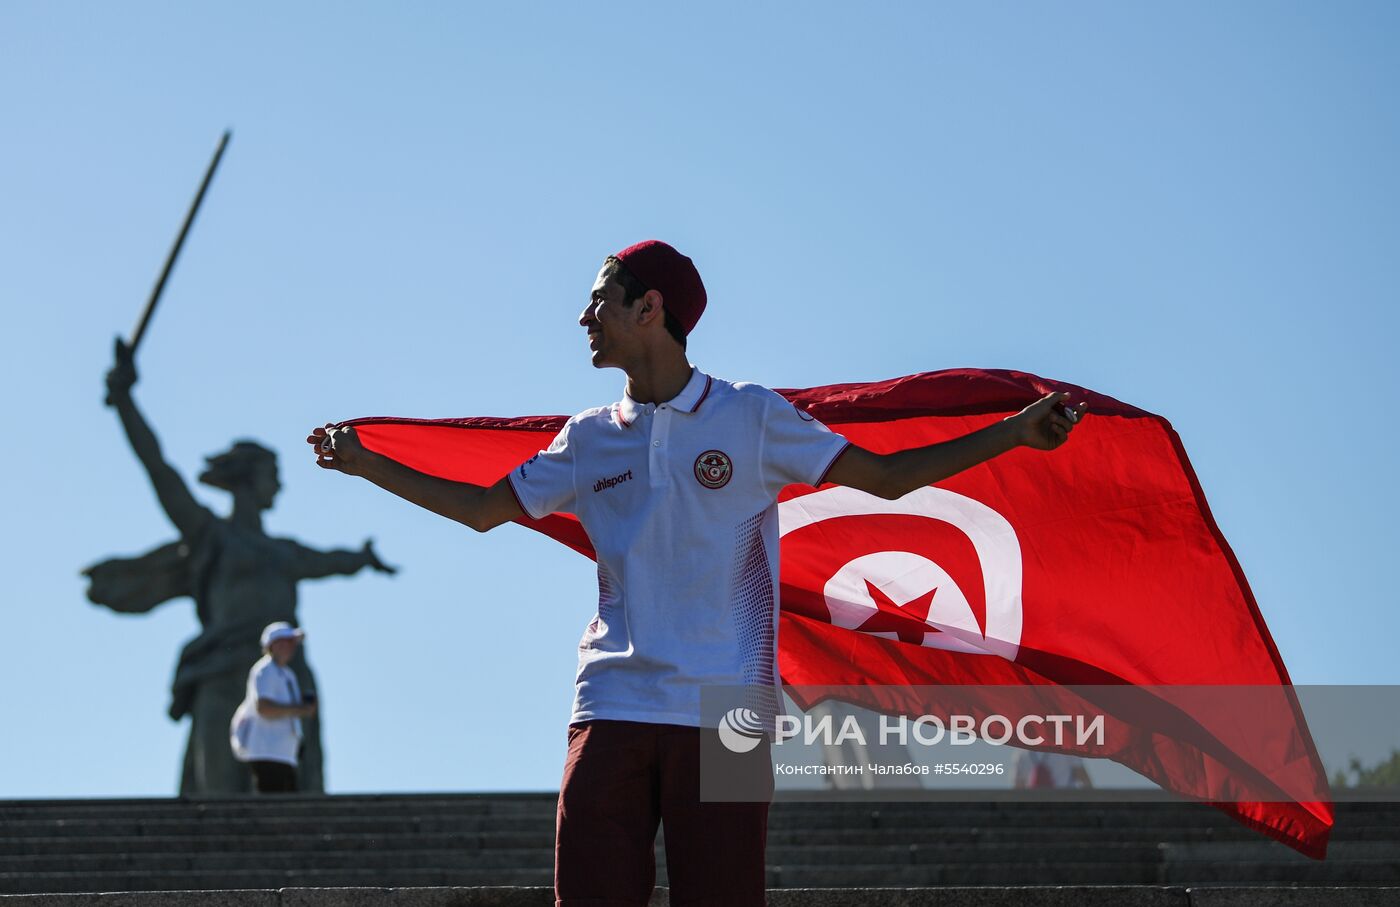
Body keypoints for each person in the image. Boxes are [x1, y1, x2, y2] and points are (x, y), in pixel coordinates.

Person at [309, 240, 1084, 906]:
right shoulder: (586, 439)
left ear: (650, 308)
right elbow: (484, 508)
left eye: (598, 301)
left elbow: (884, 478)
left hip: (730, 710)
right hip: (612, 698)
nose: (583, 318)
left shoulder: (749, 414)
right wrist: (368, 465)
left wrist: (1011, 434)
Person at [86, 338, 396, 795]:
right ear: (250, 480)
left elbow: (331, 561)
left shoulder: (285, 552)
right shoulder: (212, 536)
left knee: (293, 788)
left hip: (285, 673)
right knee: (218, 789)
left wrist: (363, 558)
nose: (281, 486)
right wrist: (127, 403)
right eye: (274, 475)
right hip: (222, 668)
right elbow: (160, 470)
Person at [230, 621, 318, 793]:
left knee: (288, 808)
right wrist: (298, 709)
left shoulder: (286, 674)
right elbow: (263, 708)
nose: (292, 646)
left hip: (284, 754)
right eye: (287, 641)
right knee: (273, 804)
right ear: (273, 645)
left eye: (293, 642)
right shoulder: (265, 670)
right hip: (267, 751)